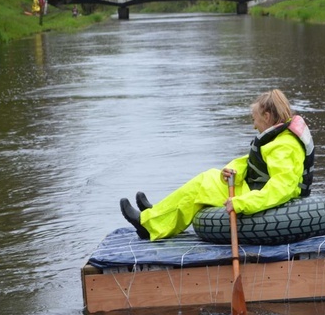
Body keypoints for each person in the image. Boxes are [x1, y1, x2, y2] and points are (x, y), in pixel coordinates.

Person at [120, 89, 314, 241]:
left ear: (267, 116)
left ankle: (149, 224)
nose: (254, 125)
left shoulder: (285, 147)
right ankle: (157, 214)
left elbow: (282, 188)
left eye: (254, 119)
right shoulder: (279, 137)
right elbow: (256, 162)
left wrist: (242, 203)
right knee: (208, 178)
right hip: (256, 188)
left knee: (202, 186)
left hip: (263, 198)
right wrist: (233, 170)